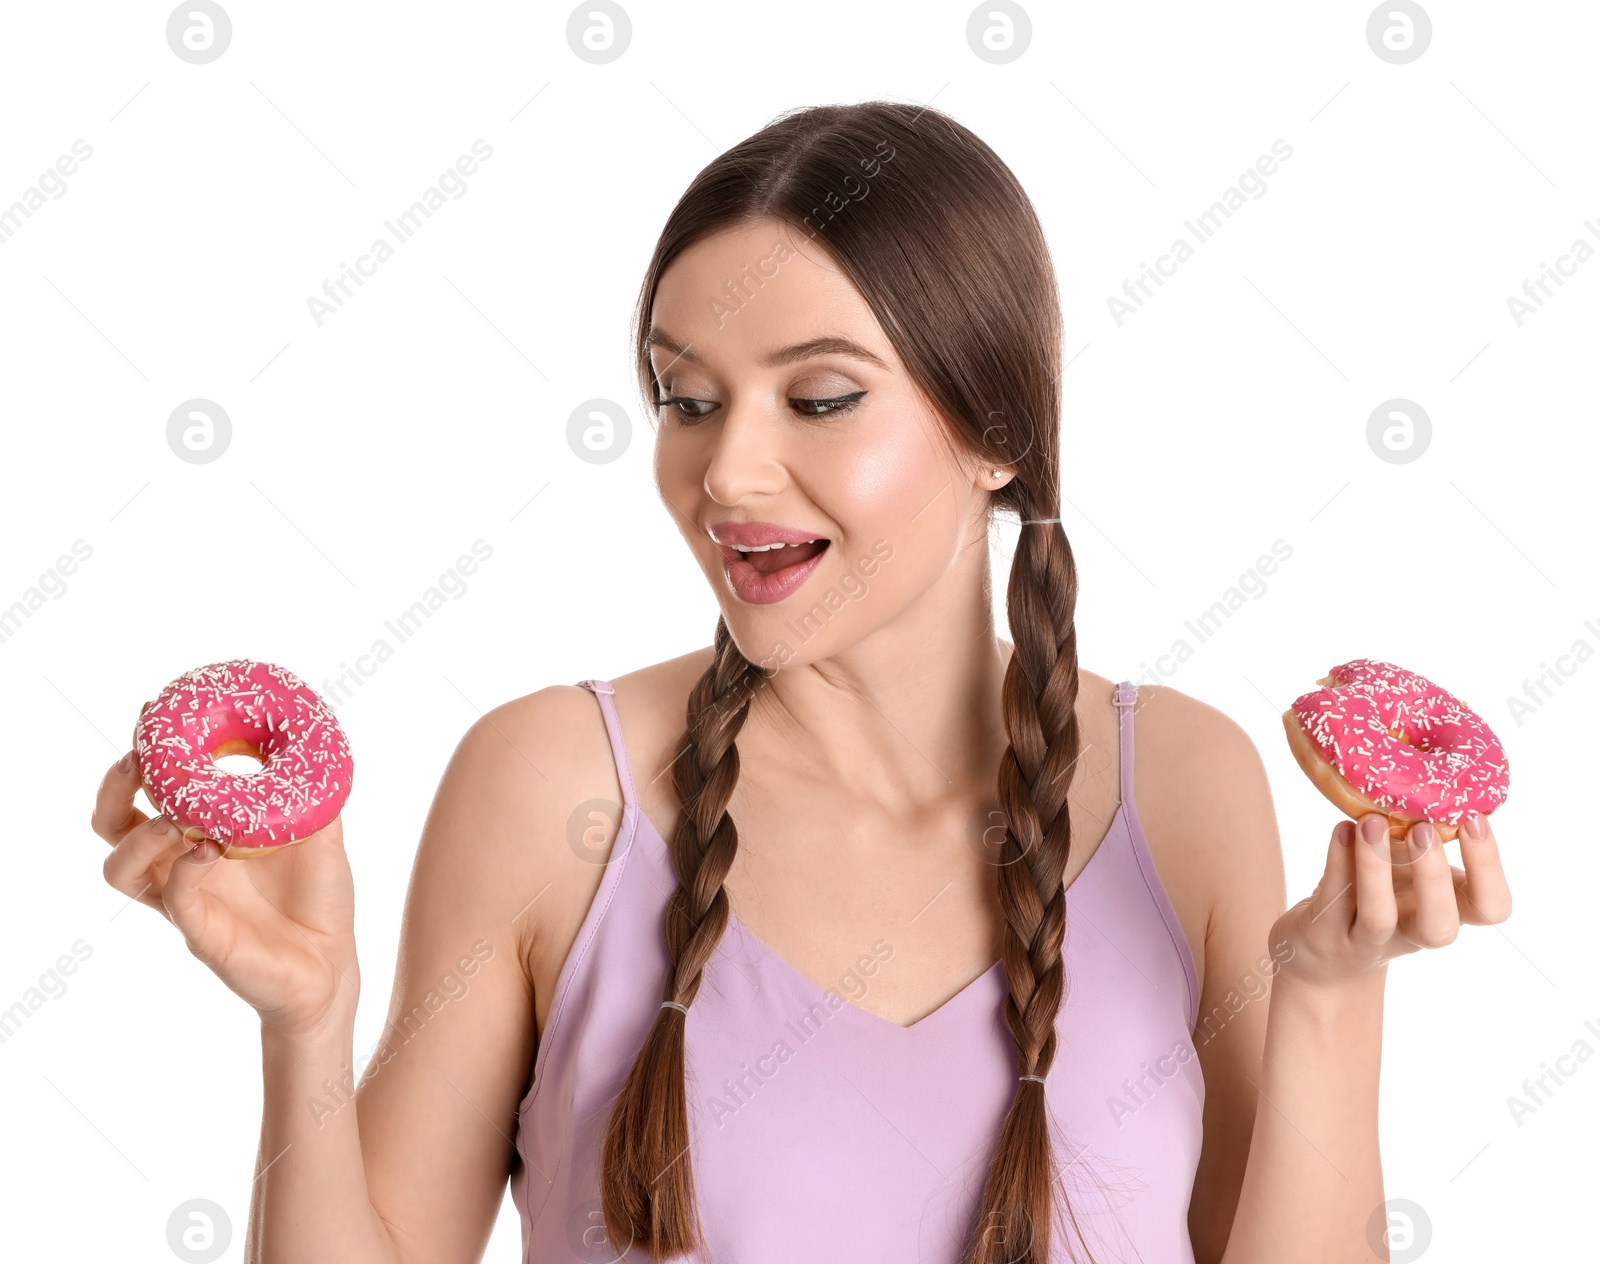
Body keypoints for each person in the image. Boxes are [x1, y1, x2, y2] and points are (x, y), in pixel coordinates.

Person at [93, 101, 1512, 1263]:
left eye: (820, 397)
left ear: (1000, 428)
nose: (728, 473)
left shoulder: (1183, 784)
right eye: (687, 399)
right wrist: (306, 1028)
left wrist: (1328, 1000)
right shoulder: (549, 783)